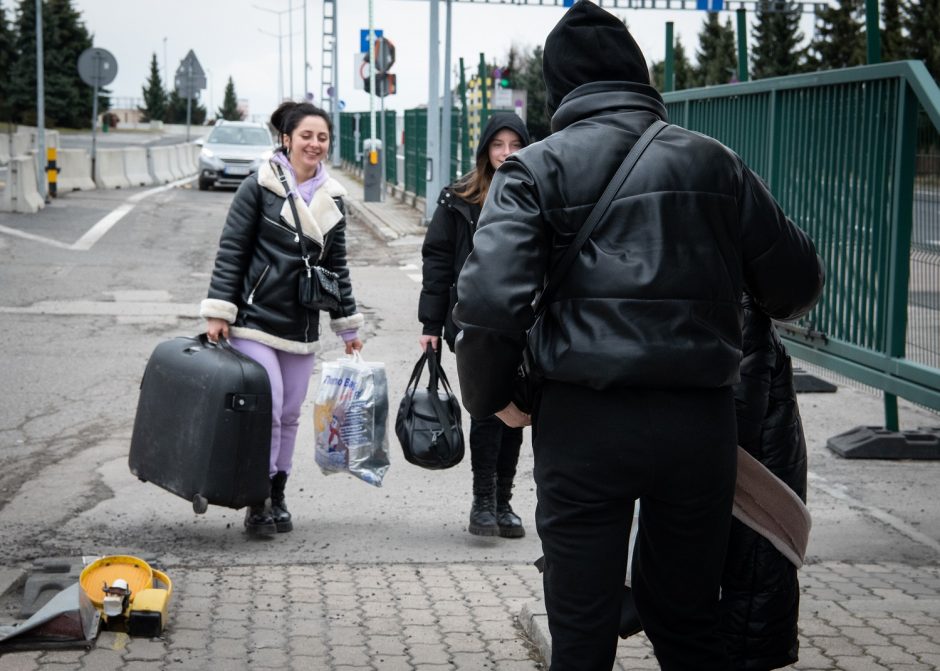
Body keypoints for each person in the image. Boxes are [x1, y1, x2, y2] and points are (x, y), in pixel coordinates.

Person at [452, 2, 824, 669]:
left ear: (559, 90)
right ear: (640, 76)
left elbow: (485, 305)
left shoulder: (533, 170)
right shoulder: (716, 163)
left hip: (583, 422)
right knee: (687, 624)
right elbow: (797, 284)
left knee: (584, 629)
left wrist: (495, 400)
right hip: (699, 425)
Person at [201, 101, 364, 538]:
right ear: (287, 139)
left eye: (322, 137)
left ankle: (278, 493)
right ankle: (256, 501)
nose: (314, 143)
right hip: (254, 319)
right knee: (268, 408)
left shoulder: (333, 199)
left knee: (291, 413)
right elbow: (232, 250)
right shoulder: (259, 186)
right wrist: (220, 311)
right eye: (306, 135)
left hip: (302, 325)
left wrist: (347, 326)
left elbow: (339, 266)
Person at [418, 112, 532, 538]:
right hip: (471, 321)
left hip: (522, 320)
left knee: (516, 411)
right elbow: (437, 262)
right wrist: (431, 322)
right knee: (488, 409)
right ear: (485, 149)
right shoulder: (459, 199)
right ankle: (483, 501)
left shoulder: (535, 193)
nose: (506, 153)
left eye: (515, 144)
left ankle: (503, 502)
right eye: (498, 145)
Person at [719, 295, 808, 670]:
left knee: (751, 586)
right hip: (756, 478)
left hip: (754, 483)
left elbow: (739, 414)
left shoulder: (738, 305)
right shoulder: (738, 298)